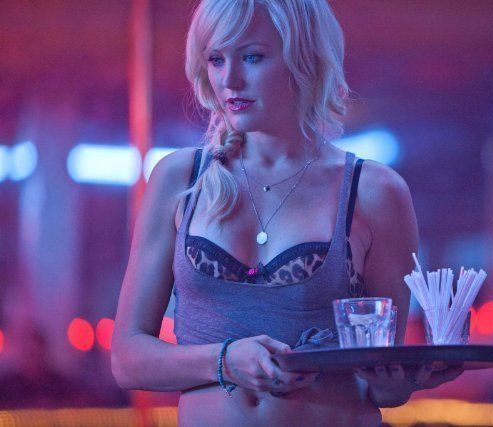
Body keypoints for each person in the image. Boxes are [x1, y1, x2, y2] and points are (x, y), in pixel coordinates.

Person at [111, 0, 464, 425]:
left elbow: (381, 380)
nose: (229, 80)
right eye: (216, 59)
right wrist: (225, 361)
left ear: (304, 59)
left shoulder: (374, 192)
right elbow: (127, 359)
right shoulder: (180, 178)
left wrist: (396, 386)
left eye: (252, 57)